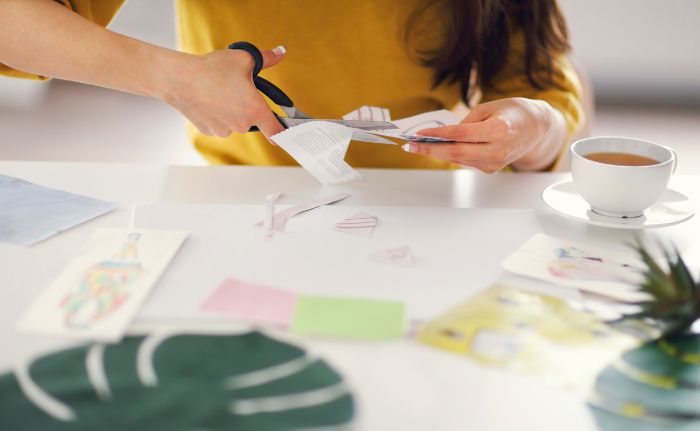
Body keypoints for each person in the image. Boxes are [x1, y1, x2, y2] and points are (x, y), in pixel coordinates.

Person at [0, 0, 584, 173]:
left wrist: (531, 128)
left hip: (424, 207)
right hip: (239, 197)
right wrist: (170, 75)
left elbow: (549, 102)